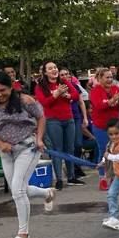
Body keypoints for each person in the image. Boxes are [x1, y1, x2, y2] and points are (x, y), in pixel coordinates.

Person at [0, 71, 56, 238]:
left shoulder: (25, 100)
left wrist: (40, 138)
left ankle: (23, 233)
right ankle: (47, 193)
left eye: (2, 90)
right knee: (18, 188)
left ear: (11, 87)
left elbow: (41, 117)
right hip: (5, 151)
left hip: (28, 147)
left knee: (17, 191)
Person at [34, 62, 82, 190]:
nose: (54, 70)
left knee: (70, 148)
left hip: (68, 118)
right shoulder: (40, 86)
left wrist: (67, 95)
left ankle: (71, 176)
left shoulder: (64, 81)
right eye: (50, 68)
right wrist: (56, 94)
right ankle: (60, 179)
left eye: (55, 67)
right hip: (53, 120)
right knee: (57, 150)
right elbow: (44, 102)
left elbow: (76, 95)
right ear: (45, 72)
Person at [90, 68, 119, 190]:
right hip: (100, 126)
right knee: (103, 151)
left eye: (111, 77)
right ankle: (102, 178)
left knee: (115, 151)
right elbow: (99, 106)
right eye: (107, 77)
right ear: (100, 78)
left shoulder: (116, 89)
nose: (110, 79)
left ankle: (113, 177)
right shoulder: (95, 91)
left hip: (114, 126)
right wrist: (111, 101)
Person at [60, 68, 89, 180]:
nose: (65, 76)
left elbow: (81, 102)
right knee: (69, 145)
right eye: (62, 74)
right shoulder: (59, 88)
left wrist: (85, 117)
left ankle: (76, 165)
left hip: (76, 117)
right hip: (65, 118)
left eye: (66, 74)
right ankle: (71, 169)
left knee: (78, 144)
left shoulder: (75, 87)